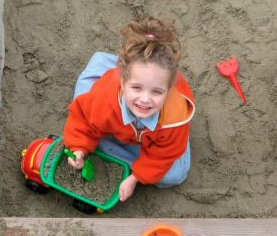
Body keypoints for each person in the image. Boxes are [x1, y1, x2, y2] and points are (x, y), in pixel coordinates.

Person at [62, 16, 195, 202]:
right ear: (122, 82)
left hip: (155, 132)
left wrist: (135, 178)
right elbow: (82, 120)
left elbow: (163, 154)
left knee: (175, 175)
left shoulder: (174, 115)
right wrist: (79, 149)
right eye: (136, 88)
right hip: (108, 93)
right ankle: (104, 65)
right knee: (85, 99)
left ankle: (125, 70)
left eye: (157, 91)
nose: (145, 100)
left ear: (170, 88)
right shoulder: (106, 98)